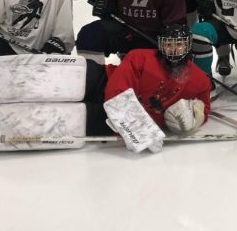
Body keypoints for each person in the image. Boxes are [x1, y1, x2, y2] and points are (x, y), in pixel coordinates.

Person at [82, 22, 212, 143]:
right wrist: (139, 130)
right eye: (168, 45)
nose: (173, 50)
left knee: (76, 119)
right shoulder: (139, 56)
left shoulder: (200, 80)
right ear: (161, 45)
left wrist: (193, 120)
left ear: (187, 45)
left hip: (114, 115)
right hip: (102, 81)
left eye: (178, 45)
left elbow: (204, 108)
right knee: (77, 75)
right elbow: (117, 89)